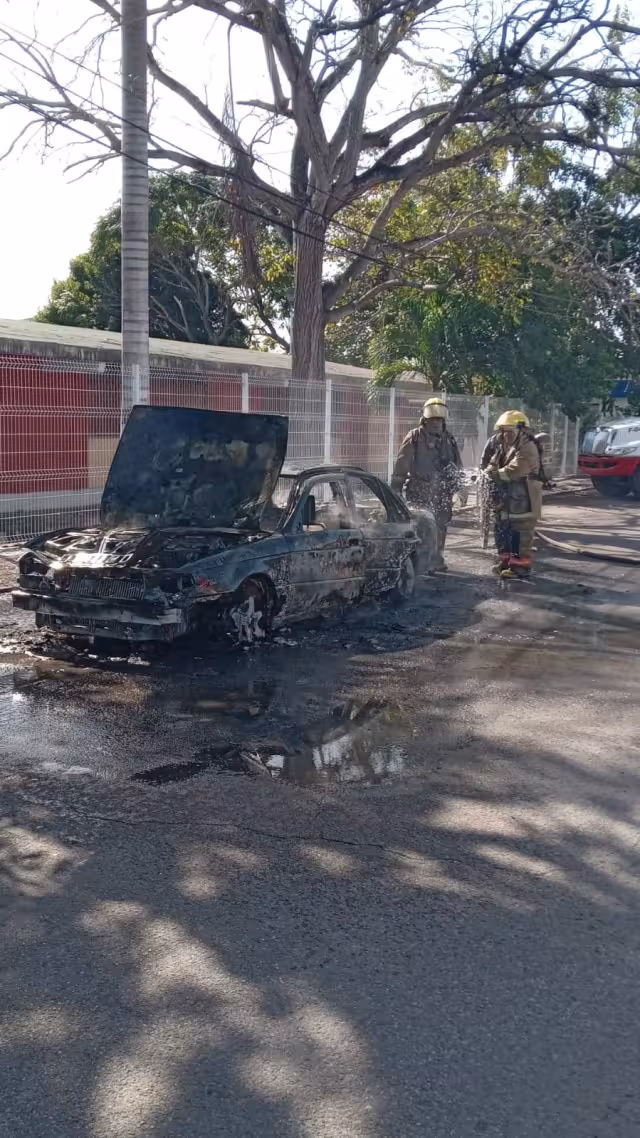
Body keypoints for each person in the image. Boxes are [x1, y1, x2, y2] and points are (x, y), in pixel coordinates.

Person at [391, 397, 463, 571]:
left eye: (440, 419)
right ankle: (422, 561)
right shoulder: (414, 437)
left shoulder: (449, 439)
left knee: (441, 525)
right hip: (420, 491)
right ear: (425, 419)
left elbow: (458, 465)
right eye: (433, 419)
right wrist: (395, 491)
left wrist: (460, 490)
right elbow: (402, 463)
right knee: (421, 526)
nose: (437, 423)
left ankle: (436, 559)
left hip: (443, 493)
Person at [486, 410, 543, 578]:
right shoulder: (505, 445)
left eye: (509, 431)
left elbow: (514, 471)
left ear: (521, 431)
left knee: (519, 534)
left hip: (523, 499)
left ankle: (520, 568)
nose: (505, 435)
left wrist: (494, 475)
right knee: (502, 531)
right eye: (503, 431)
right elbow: (493, 463)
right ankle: (505, 562)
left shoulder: (528, 447)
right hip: (507, 499)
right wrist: (488, 471)